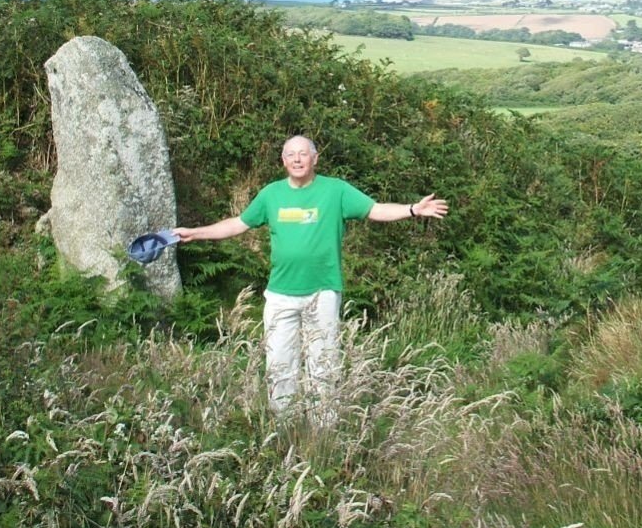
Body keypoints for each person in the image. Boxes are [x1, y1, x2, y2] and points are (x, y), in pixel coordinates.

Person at [173, 135, 448, 417]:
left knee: (324, 366)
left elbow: (375, 210)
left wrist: (413, 209)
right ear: (283, 161)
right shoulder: (271, 194)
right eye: (291, 154)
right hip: (280, 295)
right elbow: (237, 224)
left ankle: (323, 433)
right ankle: (283, 430)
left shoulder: (336, 191)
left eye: (303, 154)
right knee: (279, 367)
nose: (297, 159)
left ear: (315, 158)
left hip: (323, 293)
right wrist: (195, 233)